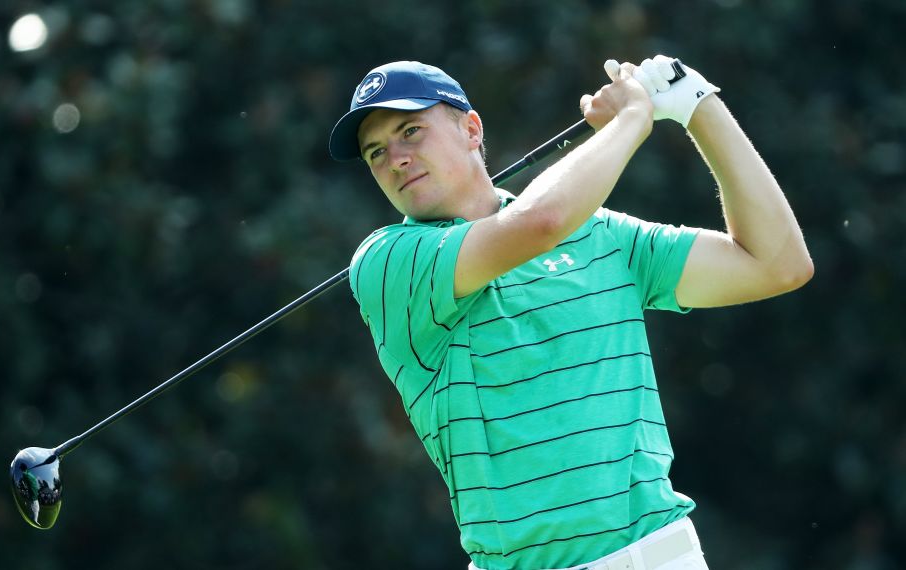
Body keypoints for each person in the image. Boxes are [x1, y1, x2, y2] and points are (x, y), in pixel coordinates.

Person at [328, 57, 813, 570]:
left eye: (411, 131)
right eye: (376, 152)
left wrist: (696, 103)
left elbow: (776, 263)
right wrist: (632, 119)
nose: (396, 159)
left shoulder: (599, 234)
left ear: (471, 130)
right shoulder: (387, 264)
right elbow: (541, 220)